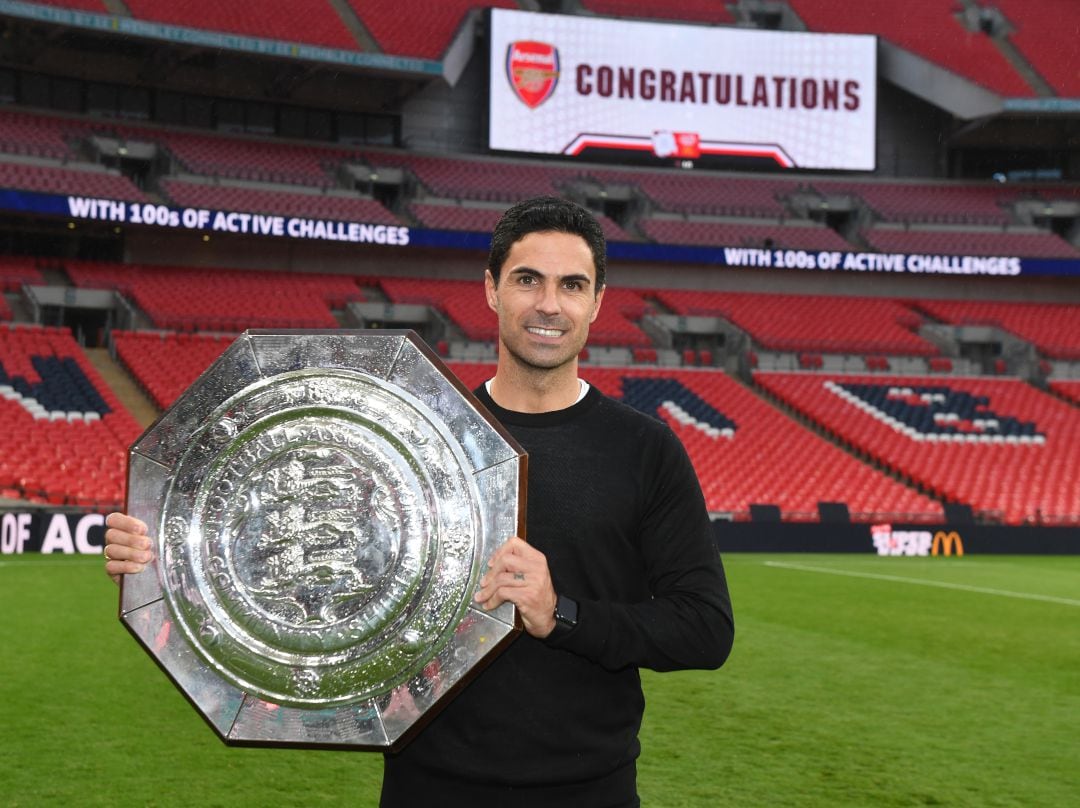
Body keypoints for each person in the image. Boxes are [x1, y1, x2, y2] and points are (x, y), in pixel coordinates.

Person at [104, 196, 735, 807]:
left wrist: (562, 614)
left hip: (587, 790)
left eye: (572, 285)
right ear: (491, 289)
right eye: (527, 279)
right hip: (428, 785)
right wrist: (161, 552)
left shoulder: (644, 448)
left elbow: (705, 630)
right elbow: (289, 547)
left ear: (598, 303)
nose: (549, 304)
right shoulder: (412, 434)